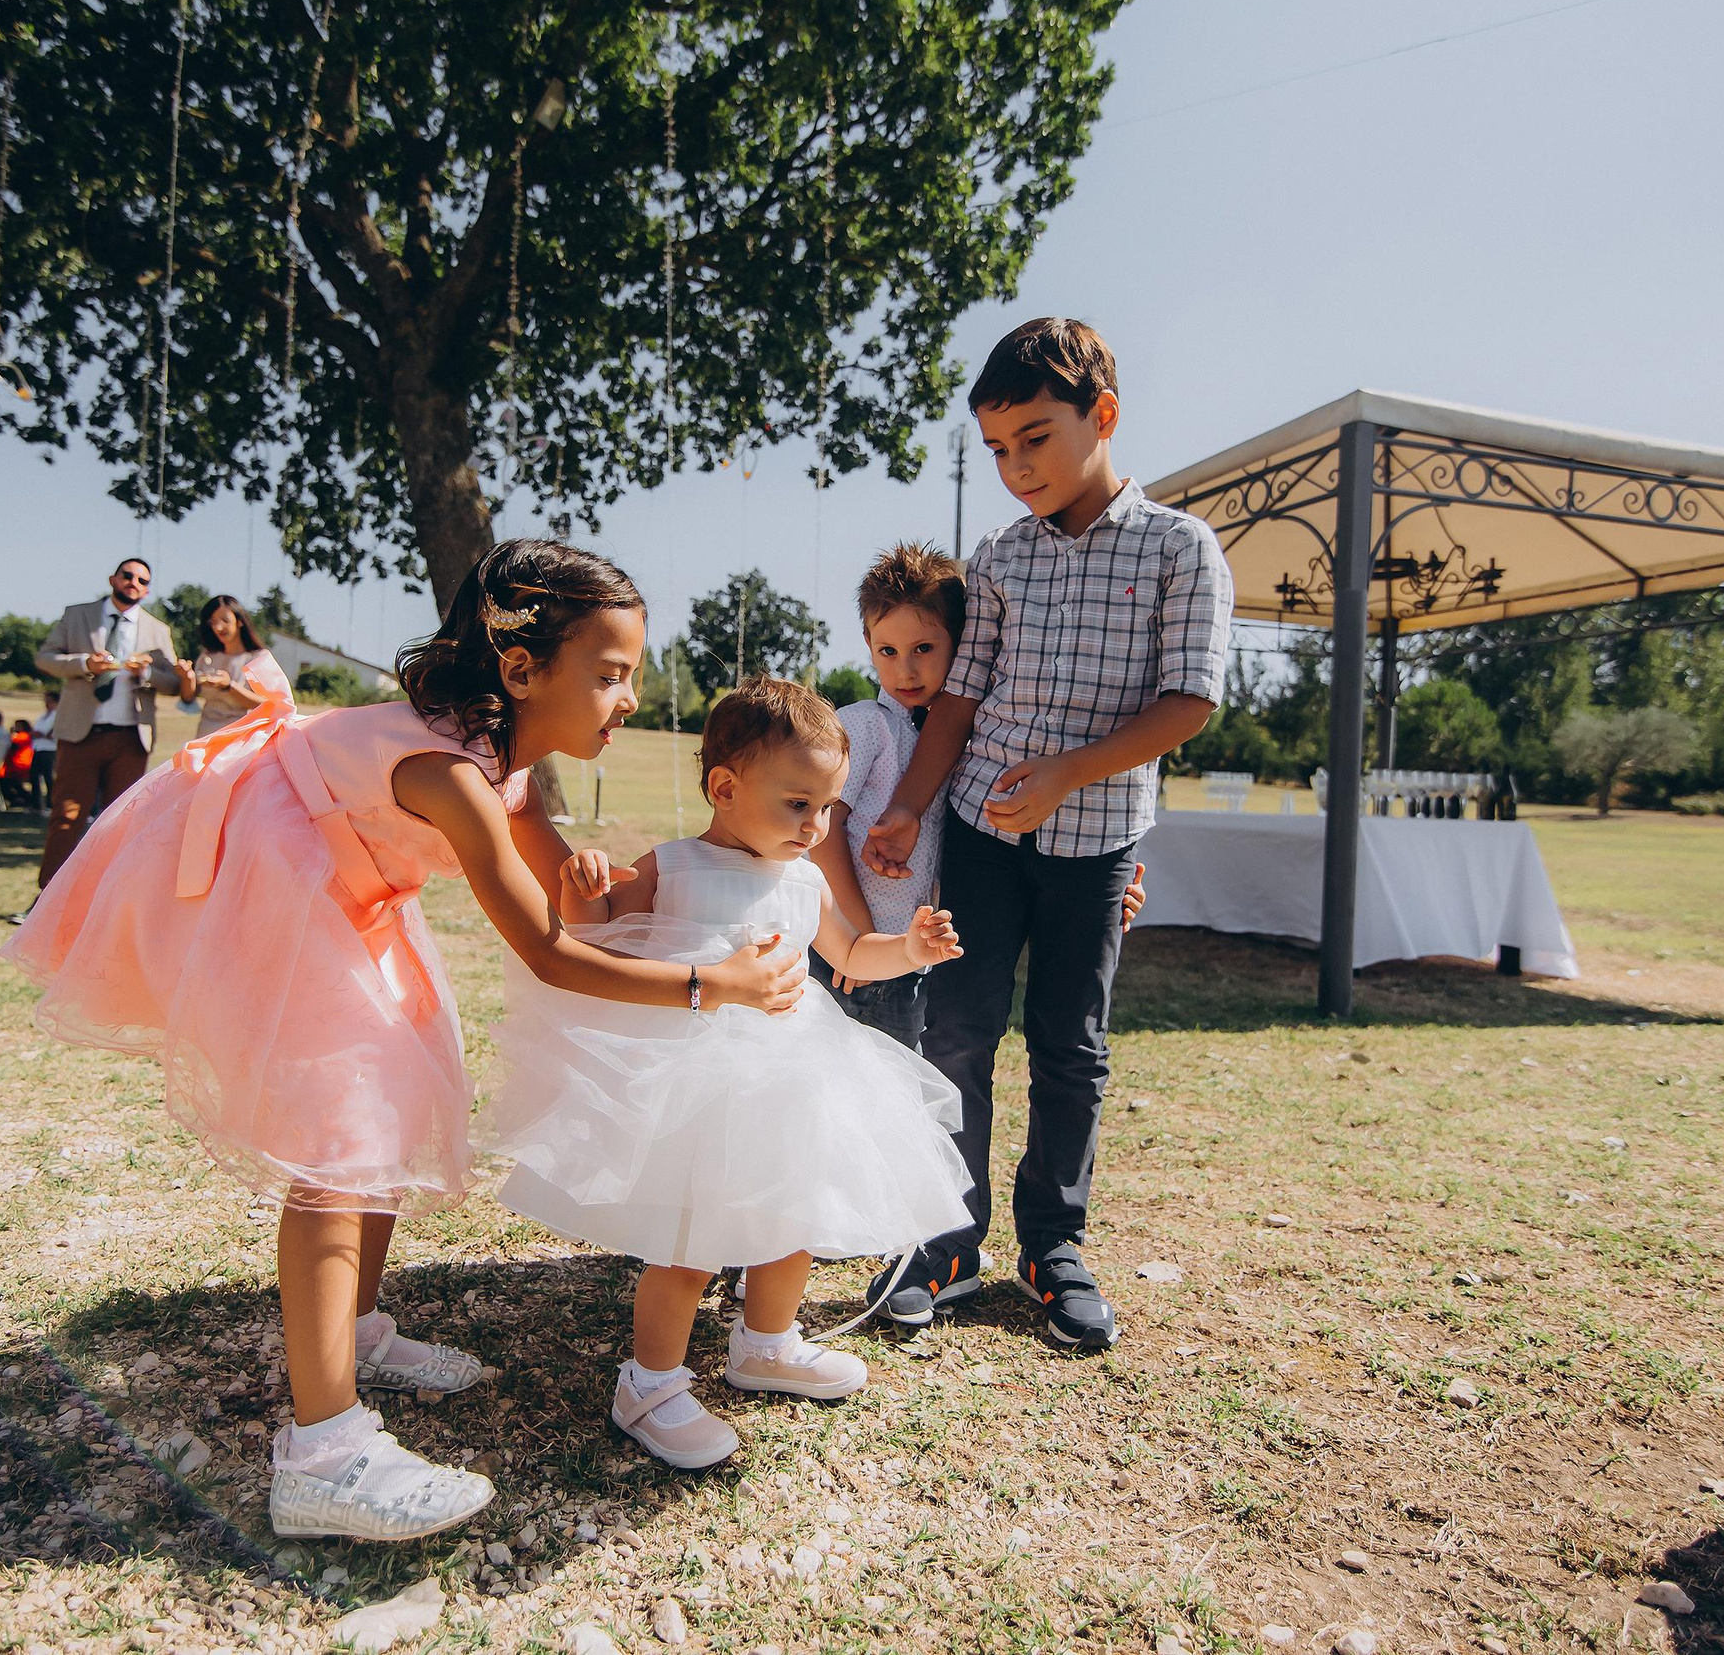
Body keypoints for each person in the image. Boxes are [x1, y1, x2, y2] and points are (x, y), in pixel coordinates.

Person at [4, 539, 805, 1541]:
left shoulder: (498, 755)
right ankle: (322, 1453)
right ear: (520, 669)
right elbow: (553, 953)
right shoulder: (450, 771)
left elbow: (570, 902)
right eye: (609, 673)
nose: (630, 696)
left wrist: (601, 878)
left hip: (347, 888)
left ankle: (355, 1329)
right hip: (278, 877)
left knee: (387, 1098)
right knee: (338, 1142)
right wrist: (706, 983)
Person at [861, 318, 1233, 1349]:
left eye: (1034, 437)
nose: (1015, 466)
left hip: (1098, 841)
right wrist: (903, 807)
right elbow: (961, 700)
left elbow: (1187, 701)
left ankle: (1050, 1243)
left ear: (1101, 415)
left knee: (1070, 1049)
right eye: (996, 450)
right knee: (958, 1032)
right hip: (981, 832)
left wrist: (1071, 771)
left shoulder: (1179, 548)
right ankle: (946, 1235)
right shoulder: (999, 557)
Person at [491, 678, 974, 1470]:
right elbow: (606, 937)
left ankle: (767, 1342)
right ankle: (647, 1383)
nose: (817, 825)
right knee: (691, 1240)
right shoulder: (673, 865)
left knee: (792, 1219)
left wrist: (911, 948)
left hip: (795, 1071)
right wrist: (580, 893)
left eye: (827, 806)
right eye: (798, 805)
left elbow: (850, 954)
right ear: (725, 787)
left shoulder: (807, 877)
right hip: (696, 1079)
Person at [812, 544, 1152, 1053]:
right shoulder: (862, 726)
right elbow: (820, 833)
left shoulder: (977, 748)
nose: (905, 671)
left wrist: (1099, 899)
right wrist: (858, 940)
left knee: (906, 1096)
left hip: (918, 964)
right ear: (867, 643)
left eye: (923, 649)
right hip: (853, 962)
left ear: (963, 644)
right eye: (888, 651)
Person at [30, 558, 192, 892]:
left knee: (121, 822)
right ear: (113, 579)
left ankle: (104, 900)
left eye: (142, 580)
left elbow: (174, 684)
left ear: (147, 590)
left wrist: (145, 673)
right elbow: (45, 658)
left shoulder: (157, 630)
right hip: (81, 732)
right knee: (66, 817)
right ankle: (47, 898)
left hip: (130, 738)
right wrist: (83, 663)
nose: (134, 582)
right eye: (128, 576)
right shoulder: (77, 615)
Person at [178, 594, 295, 737]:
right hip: (206, 735)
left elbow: (269, 704)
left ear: (239, 621)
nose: (218, 627)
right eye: (212, 622)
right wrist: (187, 677)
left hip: (240, 737)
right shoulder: (207, 656)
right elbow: (188, 698)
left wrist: (229, 686)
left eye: (225, 620)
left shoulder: (257, 658)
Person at [27, 688, 59, 811]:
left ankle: (50, 804)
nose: (47, 704)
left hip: (49, 749)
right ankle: (36, 804)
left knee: (48, 777)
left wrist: (40, 734)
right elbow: (37, 731)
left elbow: (45, 732)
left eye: (50, 701)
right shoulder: (42, 716)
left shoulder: (57, 715)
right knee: (34, 776)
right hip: (38, 748)